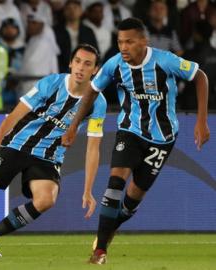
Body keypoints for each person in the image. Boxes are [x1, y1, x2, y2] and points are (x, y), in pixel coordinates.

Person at [61, 18, 210, 265]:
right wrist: (75, 125)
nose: (123, 47)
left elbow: (200, 76)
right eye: (120, 42)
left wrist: (201, 120)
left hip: (162, 139)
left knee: (131, 201)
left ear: (144, 41)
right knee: (114, 185)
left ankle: (110, 227)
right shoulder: (115, 65)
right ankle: (100, 252)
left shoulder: (165, 60)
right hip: (129, 131)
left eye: (129, 41)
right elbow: (92, 91)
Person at [0, 44, 107, 257]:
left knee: (46, 199)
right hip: (18, 145)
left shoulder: (98, 103)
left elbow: (93, 149)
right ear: (70, 63)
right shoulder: (51, 83)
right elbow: (16, 113)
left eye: (87, 64)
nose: (80, 67)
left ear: (95, 70)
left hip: (49, 157)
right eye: (77, 61)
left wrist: (88, 190)